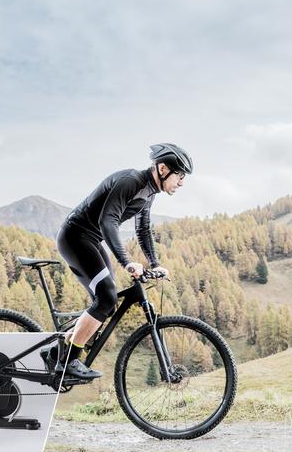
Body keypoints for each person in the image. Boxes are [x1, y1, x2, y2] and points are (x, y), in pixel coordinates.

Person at [54, 143, 192, 381]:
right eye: (179, 175)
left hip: (90, 240)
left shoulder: (149, 192)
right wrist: (127, 262)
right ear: (162, 168)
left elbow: (143, 230)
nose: (181, 182)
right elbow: (108, 222)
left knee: (108, 301)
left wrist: (154, 263)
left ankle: (59, 350)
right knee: (106, 297)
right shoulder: (131, 181)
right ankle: (68, 361)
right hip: (76, 237)